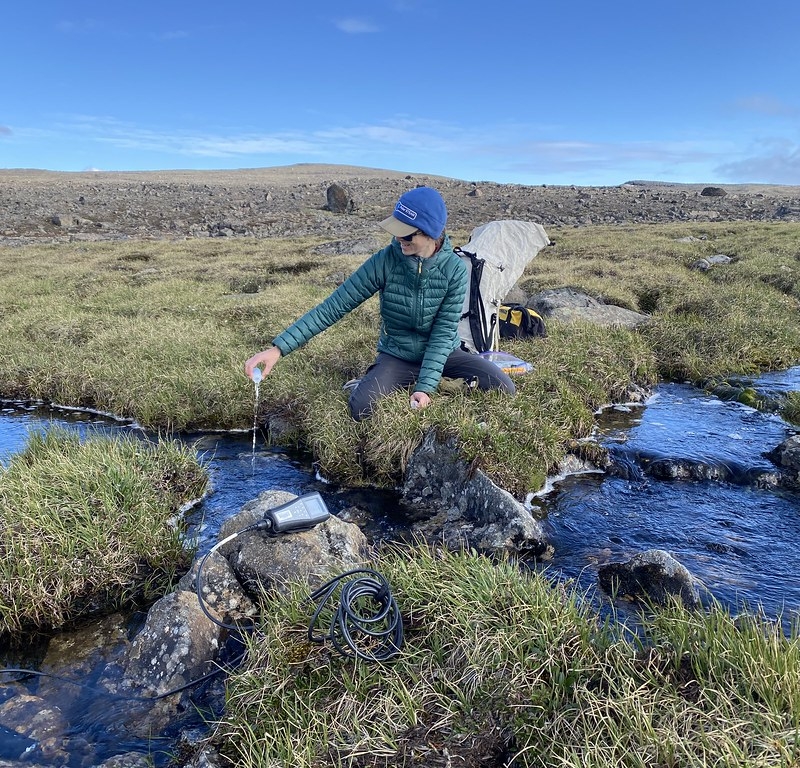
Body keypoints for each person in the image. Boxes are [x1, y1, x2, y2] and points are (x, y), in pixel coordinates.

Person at [244, 186, 515, 420]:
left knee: (504, 387)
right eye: (398, 231)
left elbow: (444, 334)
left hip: (445, 353)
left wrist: (425, 388)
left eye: (408, 234)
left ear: (431, 235)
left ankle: (427, 381)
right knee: (361, 408)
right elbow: (333, 306)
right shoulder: (384, 261)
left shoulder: (455, 271)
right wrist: (278, 349)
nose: (400, 239)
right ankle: (377, 382)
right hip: (397, 355)